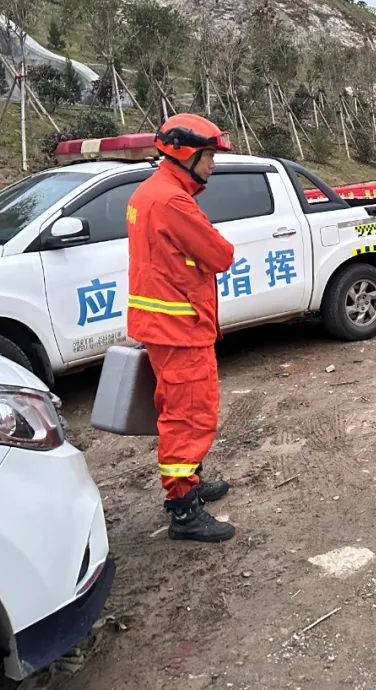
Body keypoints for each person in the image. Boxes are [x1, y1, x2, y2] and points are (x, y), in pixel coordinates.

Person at [126, 113, 236, 543]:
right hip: (178, 325)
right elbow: (220, 254)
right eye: (209, 156)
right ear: (186, 154)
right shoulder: (171, 201)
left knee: (182, 408)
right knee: (189, 415)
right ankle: (183, 510)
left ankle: (191, 479)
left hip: (166, 322)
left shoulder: (150, 192)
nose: (213, 165)